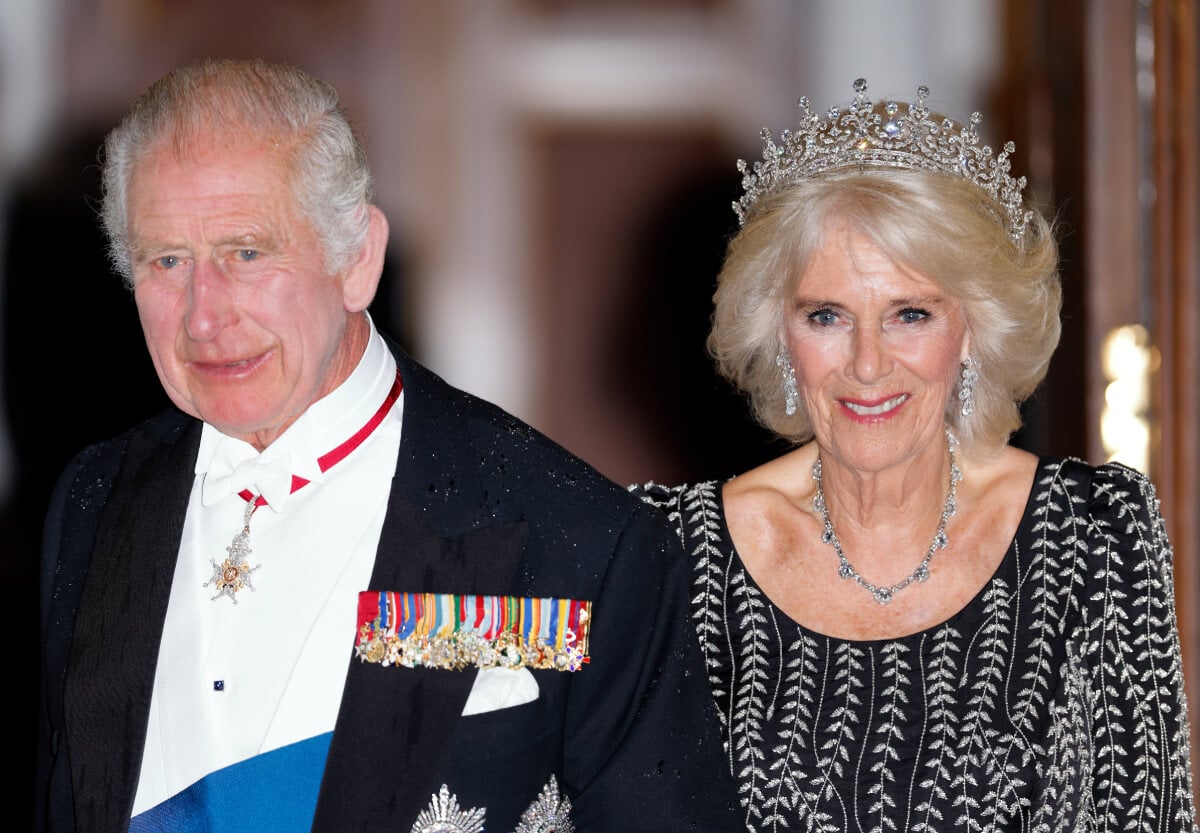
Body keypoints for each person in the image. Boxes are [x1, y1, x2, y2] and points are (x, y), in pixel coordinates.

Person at [35, 57, 738, 833]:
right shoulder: (94, 497)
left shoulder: (586, 542)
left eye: (246, 252)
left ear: (358, 259)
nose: (203, 316)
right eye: (166, 260)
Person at [634, 78, 1198, 831]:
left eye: (910, 314)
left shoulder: (1095, 536)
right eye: (827, 314)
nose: (868, 364)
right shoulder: (673, 556)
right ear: (778, 332)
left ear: (973, 328)